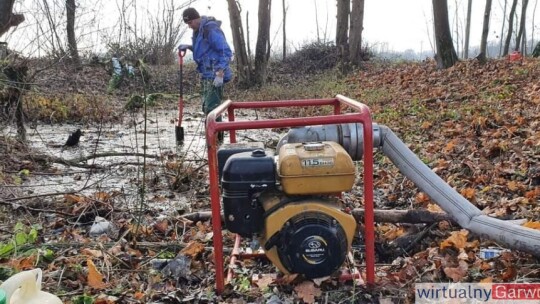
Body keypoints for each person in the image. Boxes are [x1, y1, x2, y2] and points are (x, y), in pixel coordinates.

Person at [178, 8, 233, 141]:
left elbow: (226, 52)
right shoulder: (198, 31)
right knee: (207, 107)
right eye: (187, 24)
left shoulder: (210, 29)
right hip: (206, 74)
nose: (189, 26)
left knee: (211, 107)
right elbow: (204, 49)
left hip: (215, 74)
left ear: (196, 18)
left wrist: (220, 72)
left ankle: (216, 141)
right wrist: (190, 47)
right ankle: (216, 139)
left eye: (190, 22)